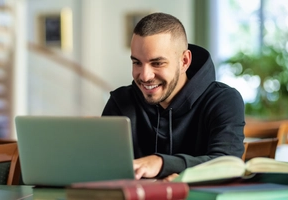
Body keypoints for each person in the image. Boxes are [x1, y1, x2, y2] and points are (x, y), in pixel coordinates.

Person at [101, 12, 245, 181]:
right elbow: (100, 166)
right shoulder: (120, 102)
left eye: (157, 63)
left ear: (184, 61)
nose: (145, 76)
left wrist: (161, 163)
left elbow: (228, 165)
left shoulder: (223, 100)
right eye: (137, 62)